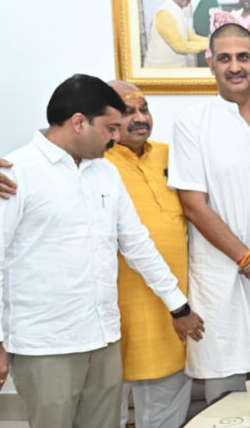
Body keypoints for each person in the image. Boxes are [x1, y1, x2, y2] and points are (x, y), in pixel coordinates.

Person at [0, 74, 204, 428]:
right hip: (45, 345)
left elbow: (138, 245)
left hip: (103, 338)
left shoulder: (104, 173)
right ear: (79, 122)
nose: (115, 137)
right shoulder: (15, 173)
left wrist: (178, 305)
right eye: (110, 128)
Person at [168, 23, 250, 403]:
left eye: (243, 57)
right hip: (221, 278)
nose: (235, 66)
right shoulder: (192, 122)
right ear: (210, 64)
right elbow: (193, 205)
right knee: (222, 394)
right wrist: (249, 261)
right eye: (224, 58)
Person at [104, 81, 192, 428]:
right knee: (105, 406)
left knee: (166, 399)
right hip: (117, 307)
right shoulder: (93, 161)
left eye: (144, 109)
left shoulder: (171, 155)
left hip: (171, 304)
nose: (140, 118)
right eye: (128, 112)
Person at [145, 0, 209, 67]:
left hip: (176, 67)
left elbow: (189, 36)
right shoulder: (164, 13)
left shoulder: (178, 11)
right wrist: (210, 45)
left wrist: (211, 41)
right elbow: (179, 46)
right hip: (161, 69)